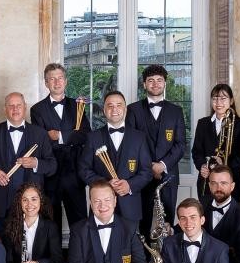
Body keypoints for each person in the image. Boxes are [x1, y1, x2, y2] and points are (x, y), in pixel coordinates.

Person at [125, 65, 188, 240]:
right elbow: (130, 144)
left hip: (168, 176)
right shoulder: (133, 110)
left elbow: (180, 144)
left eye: (159, 80)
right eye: (151, 80)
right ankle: (145, 262)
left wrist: (162, 165)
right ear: (144, 84)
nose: (155, 84)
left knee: (166, 223)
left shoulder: (176, 111)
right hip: (142, 176)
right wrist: (149, 167)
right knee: (143, 222)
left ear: (165, 83)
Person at [0, 92, 55, 230]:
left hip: (30, 204)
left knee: (28, 247)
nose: (15, 109)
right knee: (2, 244)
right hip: (0, 202)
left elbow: (52, 165)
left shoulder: (40, 133)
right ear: (5, 109)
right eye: (11, 106)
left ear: (25, 107)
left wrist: (36, 163)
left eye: (19, 105)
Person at [28, 63, 90, 233]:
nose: (56, 82)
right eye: (52, 79)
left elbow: (85, 135)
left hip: (74, 173)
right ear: (46, 83)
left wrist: (59, 135)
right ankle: (53, 260)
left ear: (66, 81)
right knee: (50, 222)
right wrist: (71, 136)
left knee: (79, 222)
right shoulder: (37, 110)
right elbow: (42, 142)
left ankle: (79, 259)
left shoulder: (78, 106)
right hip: (50, 175)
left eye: (60, 78)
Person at [78, 89, 153, 225]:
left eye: (119, 105)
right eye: (110, 105)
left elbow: (147, 172)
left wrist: (129, 185)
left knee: (130, 245)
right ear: (103, 110)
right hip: (101, 207)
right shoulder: (92, 137)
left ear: (125, 109)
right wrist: (105, 184)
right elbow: (84, 169)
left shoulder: (139, 137)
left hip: (130, 207)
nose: (114, 109)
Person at [191, 83, 240, 205]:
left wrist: (226, 163)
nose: (218, 102)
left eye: (223, 98)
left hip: (231, 183)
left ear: (231, 101)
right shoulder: (203, 123)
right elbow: (196, 151)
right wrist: (202, 166)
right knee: (208, 219)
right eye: (214, 98)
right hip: (207, 183)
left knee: (230, 221)